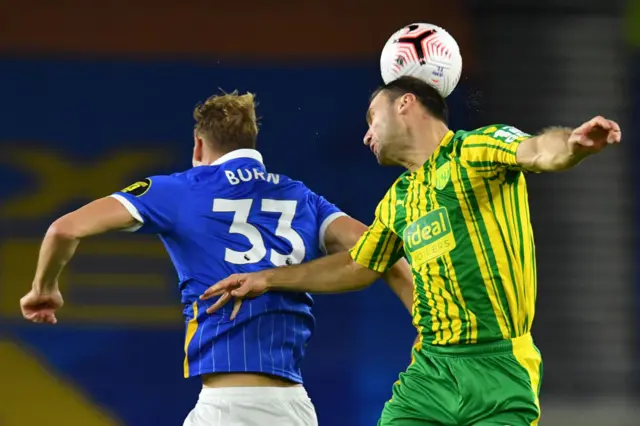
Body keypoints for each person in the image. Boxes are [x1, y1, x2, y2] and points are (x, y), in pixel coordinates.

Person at [201, 76, 622, 426]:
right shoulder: (397, 201)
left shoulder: (475, 151)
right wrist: (267, 278)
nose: (366, 134)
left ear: (404, 103)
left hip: (500, 369)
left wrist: (572, 145)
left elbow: (535, 151)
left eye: (371, 118)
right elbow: (356, 265)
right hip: (431, 373)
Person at [19, 90, 415, 426]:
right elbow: (383, 252)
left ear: (198, 145)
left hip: (227, 408)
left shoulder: (177, 190)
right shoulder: (302, 197)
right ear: (252, 143)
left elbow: (64, 229)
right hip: (294, 407)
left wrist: (44, 288)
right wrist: (425, 323)